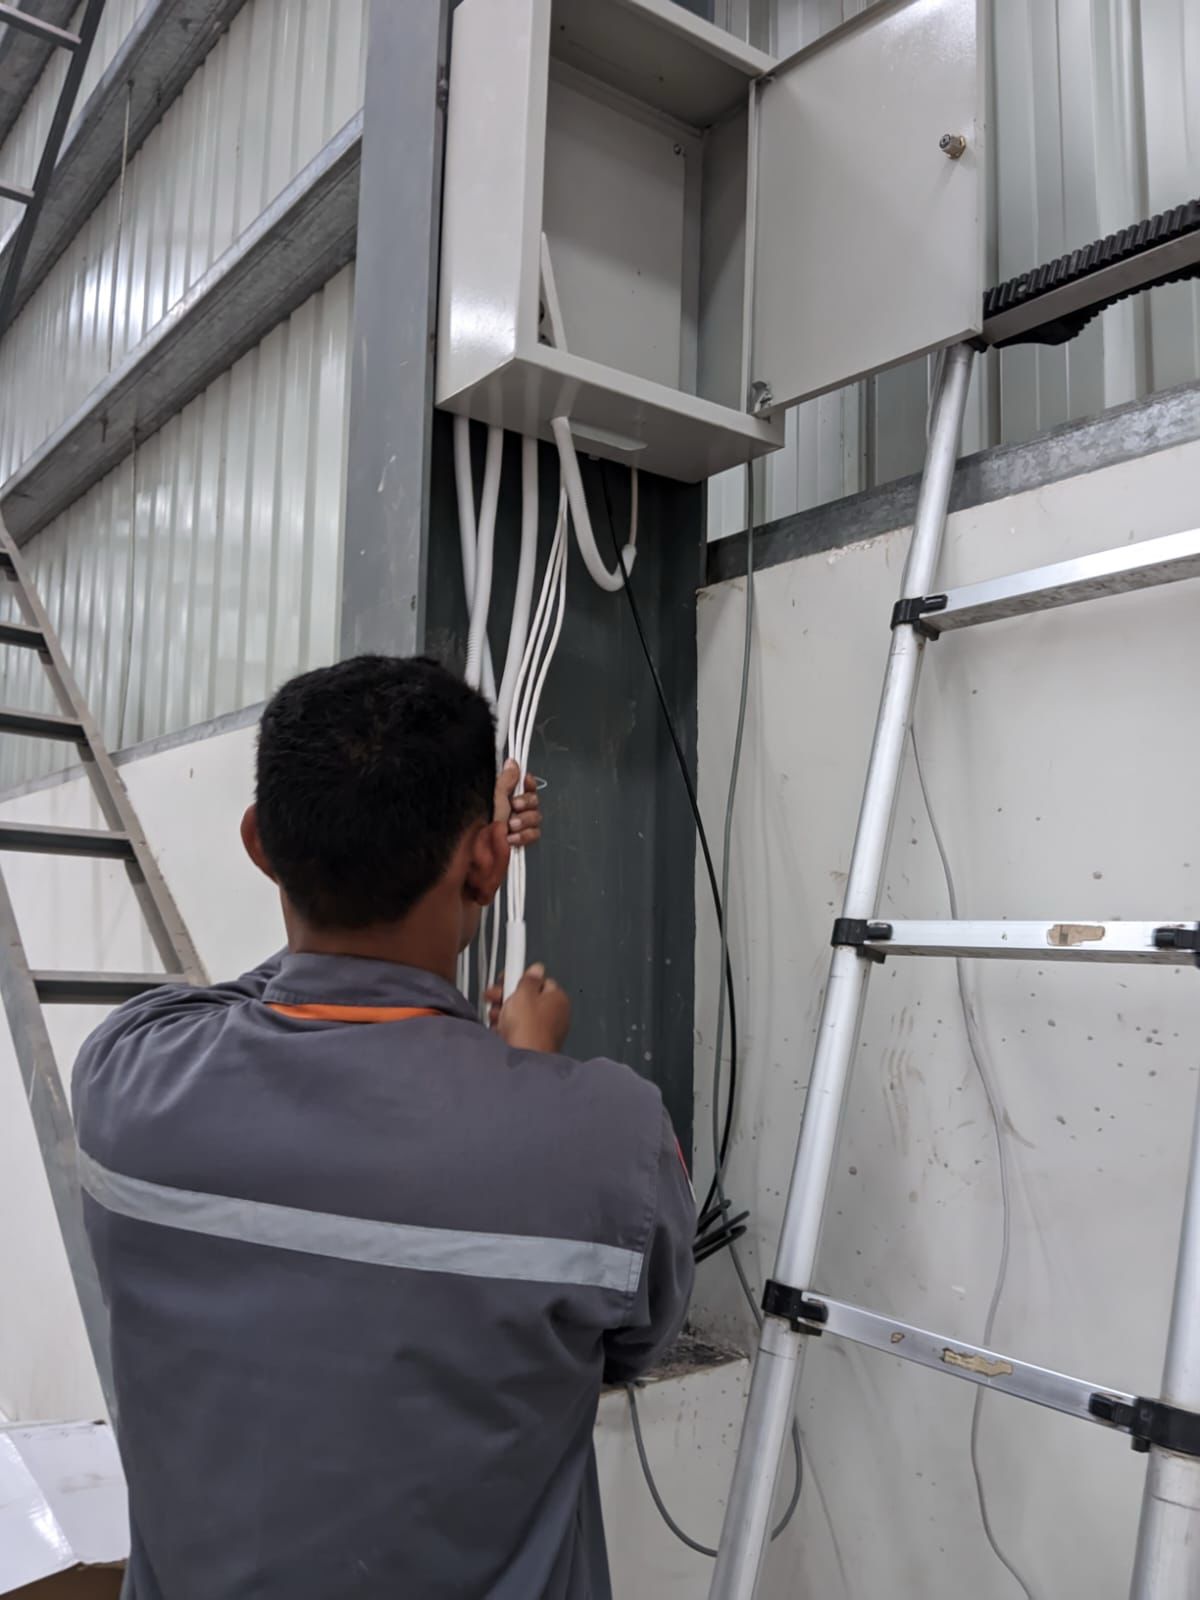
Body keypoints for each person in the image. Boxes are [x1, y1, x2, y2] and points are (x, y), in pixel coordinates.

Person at [72, 653, 695, 1600]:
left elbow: (275, 989)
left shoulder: (126, 1074)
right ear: (488, 860)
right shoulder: (610, 1139)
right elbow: (632, 1345)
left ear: (260, 843)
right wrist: (528, 1072)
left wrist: (417, 864)